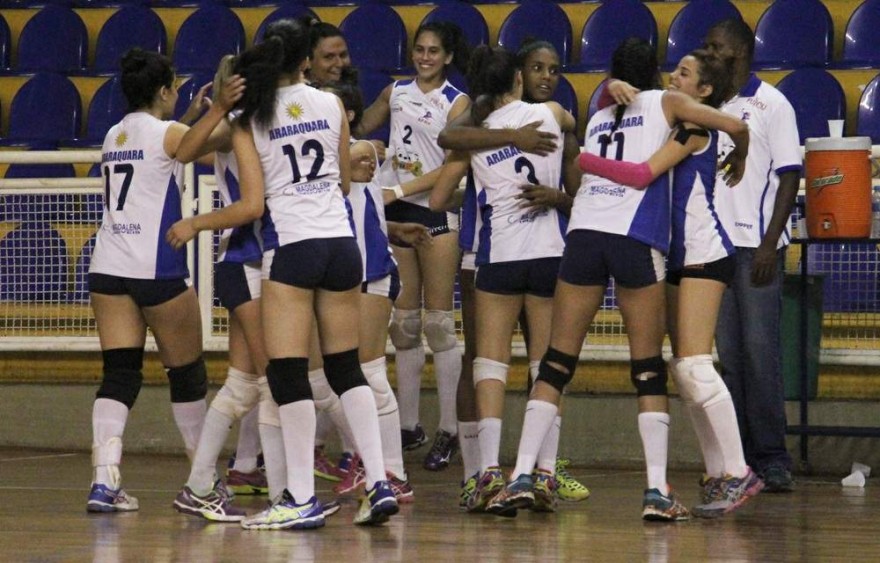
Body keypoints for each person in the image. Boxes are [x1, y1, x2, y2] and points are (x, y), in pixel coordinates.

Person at [486, 38, 748, 520]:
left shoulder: (600, 111)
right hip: (634, 236)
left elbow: (592, 142)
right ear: (655, 73)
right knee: (648, 367)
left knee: (555, 362)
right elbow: (729, 124)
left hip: (583, 232)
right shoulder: (668, 105)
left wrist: (590, 148)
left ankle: (522, 475)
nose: (676, 79)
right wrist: (744, 151)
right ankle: (655, 491)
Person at [167, 19, 399, 529]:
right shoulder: (333, 103)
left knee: (288, 374)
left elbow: (248, 203)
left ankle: (297, 496)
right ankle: (379, 481)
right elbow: (340, 182)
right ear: (305, 61)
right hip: (341, 245)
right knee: (346, 370)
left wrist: (197, 220)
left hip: (291, 249)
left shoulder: (253, 116)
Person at [579, 50, 764, 518]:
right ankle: (718, 472)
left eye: (684, 73)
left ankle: (738, 471)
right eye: (673, 70)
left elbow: (644, 173)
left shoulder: (692, 128)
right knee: (684, 370)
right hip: (678, 256)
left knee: (697, 367)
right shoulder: (663, 118)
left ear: (703, 91)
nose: (672, 77)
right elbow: (621, 111)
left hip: (704, 253)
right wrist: (609, 88)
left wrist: (582, 159)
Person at [436, 39, 590, 507]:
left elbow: (440, 194)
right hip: (549, 254)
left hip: (497, 256)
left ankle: (485, 473)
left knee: (488, 365)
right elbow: (570, 128)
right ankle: (540, 473)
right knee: (547, 367)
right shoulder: (550, 117)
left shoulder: (475, 133)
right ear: (520, 77)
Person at [85, 48, 227, 513]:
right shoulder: (168, 134)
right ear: (164, 90)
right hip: (156, 267)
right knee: (187, 373)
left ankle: (103, 482)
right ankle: (204, 483)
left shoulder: (113, 133)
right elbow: (204, 145)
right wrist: (222, 109)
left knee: (120, 374)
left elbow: (161, 150)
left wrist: (187, 116)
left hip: (109, 266)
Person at [357, 21, 471, 471]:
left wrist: (399, 191)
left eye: (433, 51)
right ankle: (408, 425)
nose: (425, 57)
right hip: (396, 209)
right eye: (420, 50)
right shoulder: (394, 92)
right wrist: (370, 148)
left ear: (447, 57)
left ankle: (449, 429)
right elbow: (360, 129)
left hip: (434, 209)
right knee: (403, 324)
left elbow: (451, 166)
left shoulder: (456, 103)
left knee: (439, 323)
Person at [704, 18, 800, 493]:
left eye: (715, 47)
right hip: (714, 249)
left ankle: (773, 456)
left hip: (757, 250)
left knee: (762, 355)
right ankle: (739, 459)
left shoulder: (773, 103)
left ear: (738, 52)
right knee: (731, 359)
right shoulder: (707, 105)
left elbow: (789, 175)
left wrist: (769, 242)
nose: (708, 54)